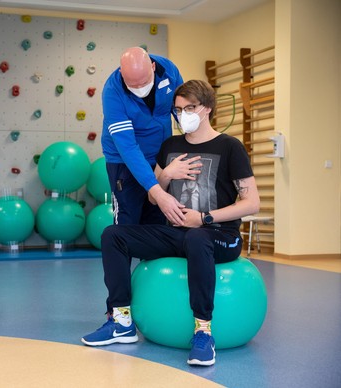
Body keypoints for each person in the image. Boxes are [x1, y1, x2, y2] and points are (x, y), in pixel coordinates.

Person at [83, 80, 260, 366]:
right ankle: (121, 320)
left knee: (197, 237)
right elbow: (155, 200)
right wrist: (167, 174)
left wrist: (204, 218)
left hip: (218, 235)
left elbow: (252, 203)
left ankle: (203, 332)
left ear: (208, 109)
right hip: (176, 233)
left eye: (190, 107)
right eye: (177, 109)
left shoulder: (230, 147)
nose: (182, 115)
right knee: (113, 234)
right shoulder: (170, 146)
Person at [101, 46, 185, 226]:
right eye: (133, 85)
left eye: (144, 82)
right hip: (124, 160)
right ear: (122, 74)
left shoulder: (169, 70)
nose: (140, 88)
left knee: (157, 220)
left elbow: (181, 108)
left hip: (160, 155)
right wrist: (157, 191)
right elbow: (128, 147)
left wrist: (189, 128)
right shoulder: (112, 92)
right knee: (127, 221)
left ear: (153, 67)